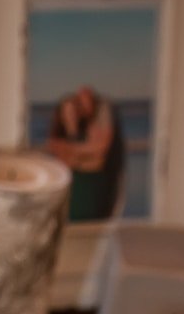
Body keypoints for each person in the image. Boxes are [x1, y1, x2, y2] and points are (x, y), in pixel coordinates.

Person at [43, 86, 125, 222]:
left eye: (75, 110)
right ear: (61, 115)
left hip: (93, 194)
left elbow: (97, 163)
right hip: (73, 198)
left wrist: (75, 156)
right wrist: (85, 158)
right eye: (67, 111)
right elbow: (68, 164)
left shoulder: (85, 134)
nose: (72, 115)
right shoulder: (57, 139)